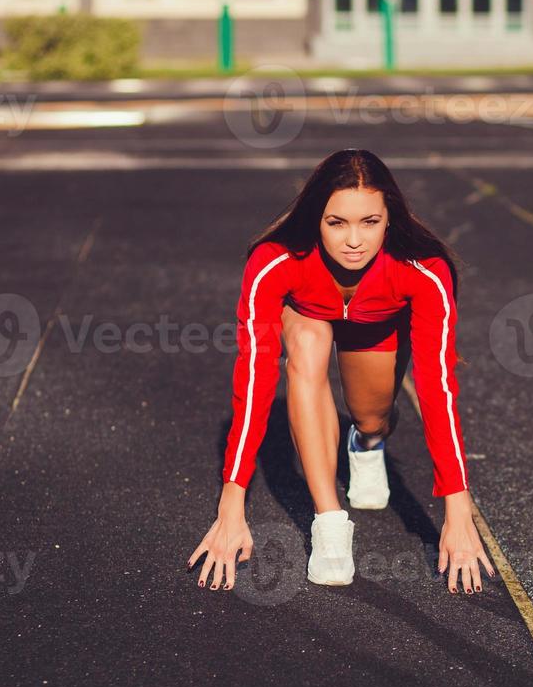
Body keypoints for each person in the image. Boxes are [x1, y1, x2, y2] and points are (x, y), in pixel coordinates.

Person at [186, 148, 494, 595]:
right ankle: (328, 520)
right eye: (337, 223)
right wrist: (232, 502)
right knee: (306, 352)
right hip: (307, 314)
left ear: (390, 218)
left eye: (369, 222)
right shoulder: (276, 262)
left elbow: (437, 388)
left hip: (377, 326)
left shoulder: (423, 270)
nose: (354, 240)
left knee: (372, 417)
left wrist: (458, 509)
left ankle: (365, 442)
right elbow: (254, 380)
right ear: (316, 219)